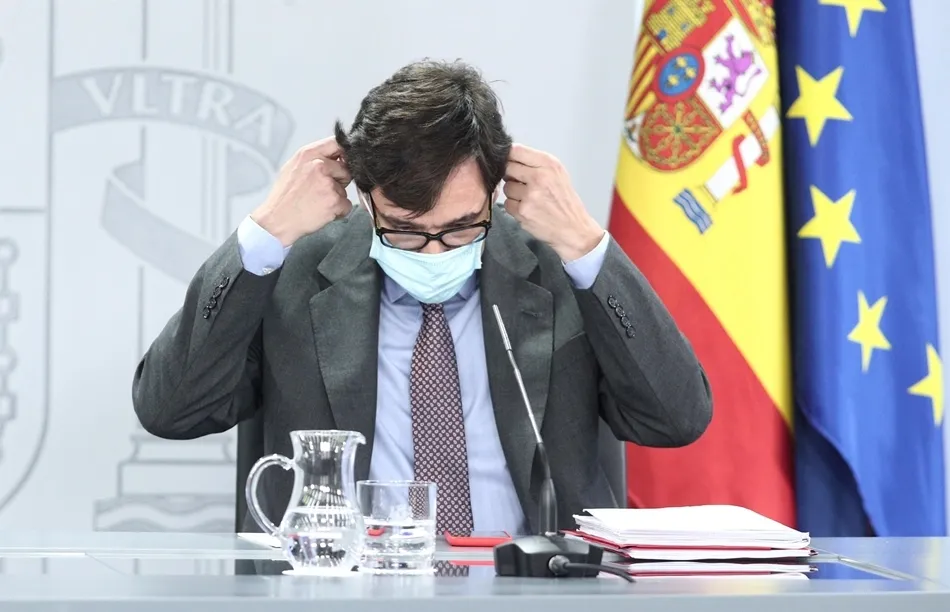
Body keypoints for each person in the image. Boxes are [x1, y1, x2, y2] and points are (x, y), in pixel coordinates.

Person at [132, 59, 712, 539]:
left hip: (535, 591)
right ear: (365, 198)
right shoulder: (294, 270)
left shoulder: (560, 266)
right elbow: (170, 411)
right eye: (406, 230)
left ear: (497, 189)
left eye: (461, 228)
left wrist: (587, 246)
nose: (434, 254)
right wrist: (264, 235)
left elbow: (676, 419)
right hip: (342, 595)